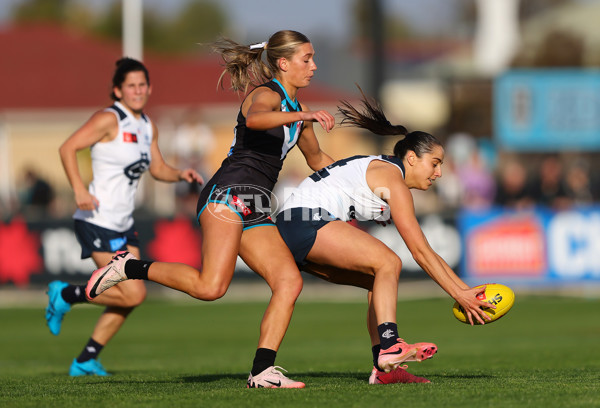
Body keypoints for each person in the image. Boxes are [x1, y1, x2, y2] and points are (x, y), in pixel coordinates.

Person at [85, 30, 336, 388]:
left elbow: (319, 160)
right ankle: (128, 266)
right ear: (283, 63)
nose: (313, 66)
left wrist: (367, 175)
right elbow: (257, 120)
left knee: (288, 281)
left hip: (255, 203)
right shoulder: (265, 95)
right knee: (210, 287)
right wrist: (303, 116)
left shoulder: (297, 113)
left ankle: (262, 371)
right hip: (227, 194)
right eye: (306, 59)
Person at [275, 88, 495, 384]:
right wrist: (461, 294)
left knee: (376, 279)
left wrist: (464, 290)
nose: (439, 173)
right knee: (389, 262)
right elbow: (420, 250)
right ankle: (390, 346)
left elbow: (338, 181)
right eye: (435, 163)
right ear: (413, 159)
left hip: (292, 225)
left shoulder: (381, 170)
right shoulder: (394, 179)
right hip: (304, 221)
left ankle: (383, 371)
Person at [46, 57, 203, 376]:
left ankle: (86, 358)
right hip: (95, 219)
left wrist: (179, 174)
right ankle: (65, 293)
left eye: (142, 84)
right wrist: (78, 189)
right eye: (130, 85)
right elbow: (67, 148)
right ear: (117, 91)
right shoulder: (108, 119)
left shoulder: (148, 126)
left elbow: (157, 168)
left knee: (133, 296)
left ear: (149, 88)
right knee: (132, 290)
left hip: (123, 223)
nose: (138, 90)